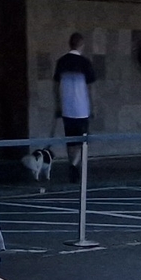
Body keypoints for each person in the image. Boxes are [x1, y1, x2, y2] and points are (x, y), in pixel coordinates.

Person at [53, 33, 95, 177]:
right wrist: (92, 107)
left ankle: (72, 164)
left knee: (70, 140)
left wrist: (58, 105)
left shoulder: (61, 62)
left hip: (67, 108)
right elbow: (90, 88)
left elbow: (56, 86)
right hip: (82, 109)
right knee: (83, 140)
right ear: (81, 45)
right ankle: (78, 166)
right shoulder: (85, 63)